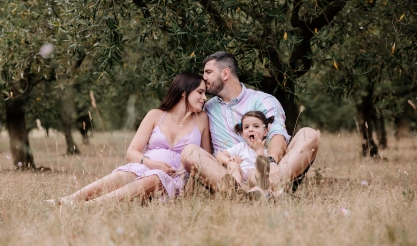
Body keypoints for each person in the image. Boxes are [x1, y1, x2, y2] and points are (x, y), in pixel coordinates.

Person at [47, 72, 211, 205]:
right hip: (146, 167)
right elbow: (132, 152)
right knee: (125, 174)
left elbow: (206, 161)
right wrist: (152, 163)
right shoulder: (155, 115)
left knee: (154, 178)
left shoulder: (202, 119)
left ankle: (87, 207)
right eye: (200, 92)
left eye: (205, 93)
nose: (204, 98)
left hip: (174, 180)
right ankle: (68, 200)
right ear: (184, 92)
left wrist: (191, 190)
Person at [181, 51, 320, 197]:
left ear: (225, 74)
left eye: (208, 72)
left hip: (266, 170)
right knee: (189, 151)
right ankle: (242, 193)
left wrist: (270, 163)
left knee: (309, 134)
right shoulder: (207, 107)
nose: (204, 77)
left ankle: (269, 186)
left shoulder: (263, 100)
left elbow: (277, 134)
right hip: (228, 173)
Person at [215, 111, 274, 192]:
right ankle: (235, 189)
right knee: (233, 165)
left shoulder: (267, 152)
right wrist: (229, 160)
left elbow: (267, 170)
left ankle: (261, 185)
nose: (250, 129)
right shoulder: (241, 147)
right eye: (246, 127)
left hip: (254, 180)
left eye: (256, 126)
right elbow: (219, 155)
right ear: (242, 134)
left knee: (252, 172)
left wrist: (259, 150)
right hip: (241, 178)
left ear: (265, 131)